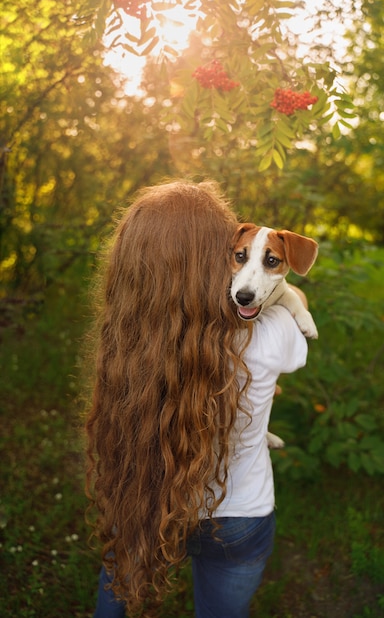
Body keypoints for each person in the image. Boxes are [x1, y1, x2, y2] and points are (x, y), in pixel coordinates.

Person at [85, 180, 309, 618]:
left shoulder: (125, 335)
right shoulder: (271, 332)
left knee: (116, 585)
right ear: (217, 255)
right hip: (238, 514)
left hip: (143, 493)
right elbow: (291, 305)